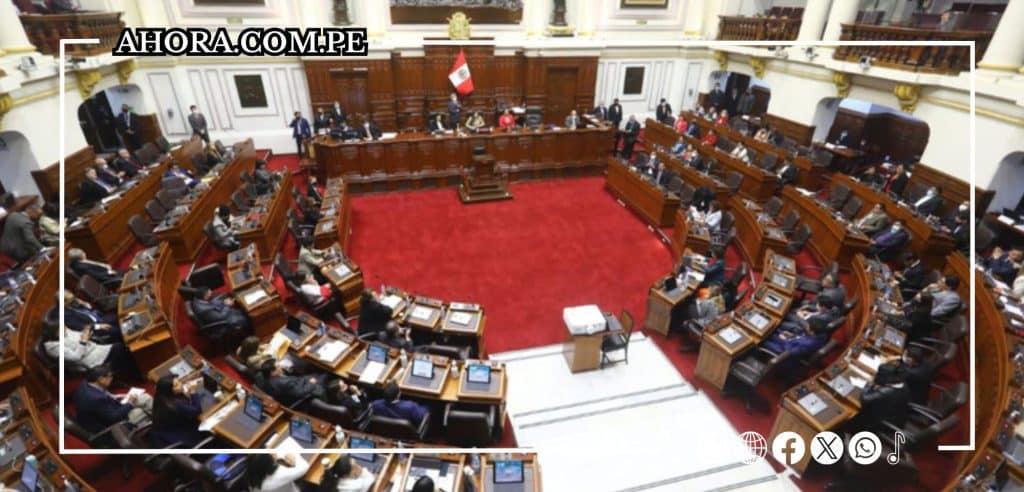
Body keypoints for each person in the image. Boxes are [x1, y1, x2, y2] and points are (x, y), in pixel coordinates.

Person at [73, 365, 153, 432]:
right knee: (141, 411)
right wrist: (130, 403)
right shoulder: (96, 398)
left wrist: (116, 396)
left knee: (145, 398)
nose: (112, 378)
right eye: (110, 376)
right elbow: (114, 417)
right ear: (101, 379)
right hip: (113, 426)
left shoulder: (87, 382)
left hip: (109, 409)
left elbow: (104, 395)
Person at [45, 324, 135, 377]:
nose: (66, 328)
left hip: (95, 349)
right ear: (54, 333)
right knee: (120, 348)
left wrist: (86, 333)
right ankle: (133, 374)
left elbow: (79, 335)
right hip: (88, 360)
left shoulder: (64, 331)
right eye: (62, 328)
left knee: (123, 347)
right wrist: (83, 341)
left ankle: (132, 371)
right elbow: (76, 357)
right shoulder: (53, 347)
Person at [149, 375, 206, 447]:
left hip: (167, 434)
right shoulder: (175, 405)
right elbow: (197, 411)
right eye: (176, 385)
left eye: (179, 381)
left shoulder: (161, 398)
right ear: (169, 390)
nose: (181, 384)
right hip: (185, 439)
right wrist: (193, 392)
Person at [858, 362, 911, 431]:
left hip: (884, 423)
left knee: (859, 412)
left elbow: (864, 398)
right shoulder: (902, 384)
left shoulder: (886, 391)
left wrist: (869, 384)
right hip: (899, 417)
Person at [255, 359, 327, 407]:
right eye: (278, 367)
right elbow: (300, 392)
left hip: (298, 382)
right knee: (325, 375)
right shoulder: (284, 382)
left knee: (315, 372)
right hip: (304, 391)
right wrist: (311, 383)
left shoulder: (263, 376)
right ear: (272, 372)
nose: (280, 367)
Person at [242, 452, 310, 492]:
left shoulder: (252, 473)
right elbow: (305, 467)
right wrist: (294, 458)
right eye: (271, 455)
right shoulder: (278, 475)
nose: (273, 453)